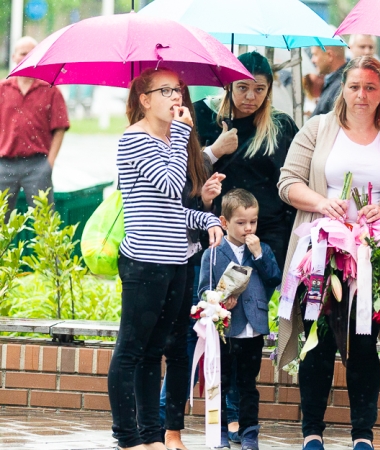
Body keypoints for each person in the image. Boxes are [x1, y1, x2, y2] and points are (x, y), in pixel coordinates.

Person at [276, 56, 380, 450]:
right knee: (317, 344)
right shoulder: (318, 128)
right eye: (355, 86)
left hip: (373, 256)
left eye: (371, 87)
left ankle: (363, 435)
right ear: (343, 88)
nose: (362, 94)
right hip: (319, 254)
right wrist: (322, 203)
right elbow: (287, 182)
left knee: (362, 346)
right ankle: (312, 432)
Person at [109, 67, 223, 450]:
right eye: (166, 91)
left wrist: (206, 218)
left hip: (176, 262)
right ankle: (127, 438)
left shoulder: (169, 140)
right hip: (145, 264)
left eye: (179, 90)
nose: (177, 97)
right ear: (144, 99)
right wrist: (180, 133)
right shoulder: (135, 140)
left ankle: (152, 436)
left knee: (154, 352)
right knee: (131, 351)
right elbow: (173, 184)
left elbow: (171, 209)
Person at [157, 86, 224, 450]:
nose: (175, 104)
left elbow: (189, 208)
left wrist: (206, 199)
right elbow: (161, 206)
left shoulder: (192, 149)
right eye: (165, 94)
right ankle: (150, 423)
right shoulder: (143, 143)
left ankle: (172, 429)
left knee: (181, 346)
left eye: (179, 96)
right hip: (151, 259)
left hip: (187, 258)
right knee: (152, 343)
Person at [195, 51, 299, 271]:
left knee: (253, 303)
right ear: (228, 85)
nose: (251, 97)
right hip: (217, 232)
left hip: (267, 237)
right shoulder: (202, 116)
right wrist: (216, 149)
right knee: (215, 303)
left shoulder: (281, 126)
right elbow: (184, 172)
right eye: (242, 88)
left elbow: (297, 177)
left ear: (269, 89)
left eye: (259, 89)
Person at [198, 188, 282, 450]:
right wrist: (218, 300)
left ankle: (249, 433)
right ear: (224, 223)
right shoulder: (211, 253)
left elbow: (273, 278)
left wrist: (258, 254)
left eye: (253, 222)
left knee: (248, 384)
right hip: (225, 327)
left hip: (253, 328)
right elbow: (202, 291)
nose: (248, 228)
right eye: (241, 222)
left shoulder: (262, 249)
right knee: (221, 381)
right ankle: (221, 430)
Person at [0, 36, 69, 217]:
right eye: (23, 53)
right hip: (4, 164)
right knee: (0, 220)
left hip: (37, 164)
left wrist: (49, 163)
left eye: (31, 53)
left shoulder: (51, 90)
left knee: (44, 222)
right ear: (14, 56)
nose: (27, 57)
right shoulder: (2, 89)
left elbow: (60, 128)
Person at [310, 45, 348, 117]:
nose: (313, 60)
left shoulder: (341, 85)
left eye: (315, 55)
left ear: (330, 55)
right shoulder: (337, 81)